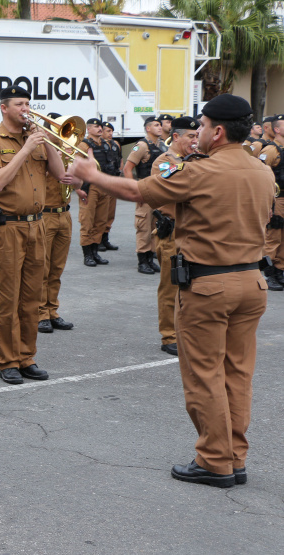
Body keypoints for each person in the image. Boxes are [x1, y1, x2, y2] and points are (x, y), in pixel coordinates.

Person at [70, 93, 273, 489]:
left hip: (209, 284)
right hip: (252, 282)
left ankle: (215, 461)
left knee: (205, 374)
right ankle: (234, 456)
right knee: (237, 374)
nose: (195, 132)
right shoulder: (261, 170)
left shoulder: (201, 171)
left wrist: (91, 174)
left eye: (200, 126)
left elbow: (136, 192)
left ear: (217, 131)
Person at [0, 86, 66, 385]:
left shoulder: (35, 137)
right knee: (9, 298)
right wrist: (26, 149)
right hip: (8, 228)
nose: (25, 108)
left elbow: (60, 172)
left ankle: (27, 357)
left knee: (31, 298)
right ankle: (8, 361)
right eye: (19, 104)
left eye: (28, 103)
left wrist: (47, 140)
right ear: (3, 108)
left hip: (36, 225)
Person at [149, 116, 199, 356]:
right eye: (191, 136)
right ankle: (169, 335)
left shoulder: (192, 161)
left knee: (191, 286)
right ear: (176, 137)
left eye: (197, 136)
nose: (195, 141)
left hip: (191, 233)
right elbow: (178, 185)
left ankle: (185, 332)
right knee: (171, 286)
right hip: (171, 233)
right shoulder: (163, 161)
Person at [37, 116, 74, 335]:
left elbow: (78, 182)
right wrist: (53, 160)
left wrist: (74, 175)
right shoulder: (40, 152)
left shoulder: (69, 151)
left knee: (57, 269)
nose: (61, 135)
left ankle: (53, 310)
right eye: (56, 129)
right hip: (46, 214)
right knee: (42, 267)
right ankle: (41, 313)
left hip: (64, 215)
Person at [123, 116, 164, 274]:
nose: (160, 127)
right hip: (144, 190)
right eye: (156, 125)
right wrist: (134, 191)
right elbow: (127, 168)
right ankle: (142, 261)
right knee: (143, 226)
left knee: (155, 225)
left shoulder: (161, 146)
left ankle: (150, 258)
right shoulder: (141, 145)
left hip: (158, 191)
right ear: (148, 128)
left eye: (160, 125)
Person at [74, 117, 112, 267]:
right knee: (87, 221)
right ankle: (87, 255)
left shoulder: (106, 145)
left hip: (104, 186)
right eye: (95, 126)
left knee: (100, 221)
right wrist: (77, 189)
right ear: (88, 129)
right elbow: (75, 165)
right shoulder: (83, 146)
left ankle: (95, 252)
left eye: (100, 126)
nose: (99, 129)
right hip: (89, 188)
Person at [258, 113, 284, 291]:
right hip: (277, 199)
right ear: (276, 129)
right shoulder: (270, 150)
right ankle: (269, 272)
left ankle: (280, 269)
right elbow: (260, 173)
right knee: (273, 237)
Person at [99, 122, 121, 252]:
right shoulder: (98, 144)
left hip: (113, 181)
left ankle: (105, 239)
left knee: (110, 213)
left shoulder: (115, 144)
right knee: (100, 214)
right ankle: (97, 240)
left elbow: (120, 159)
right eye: (107, 131)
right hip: (102, 182)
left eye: (111, 131)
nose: (110, 133)